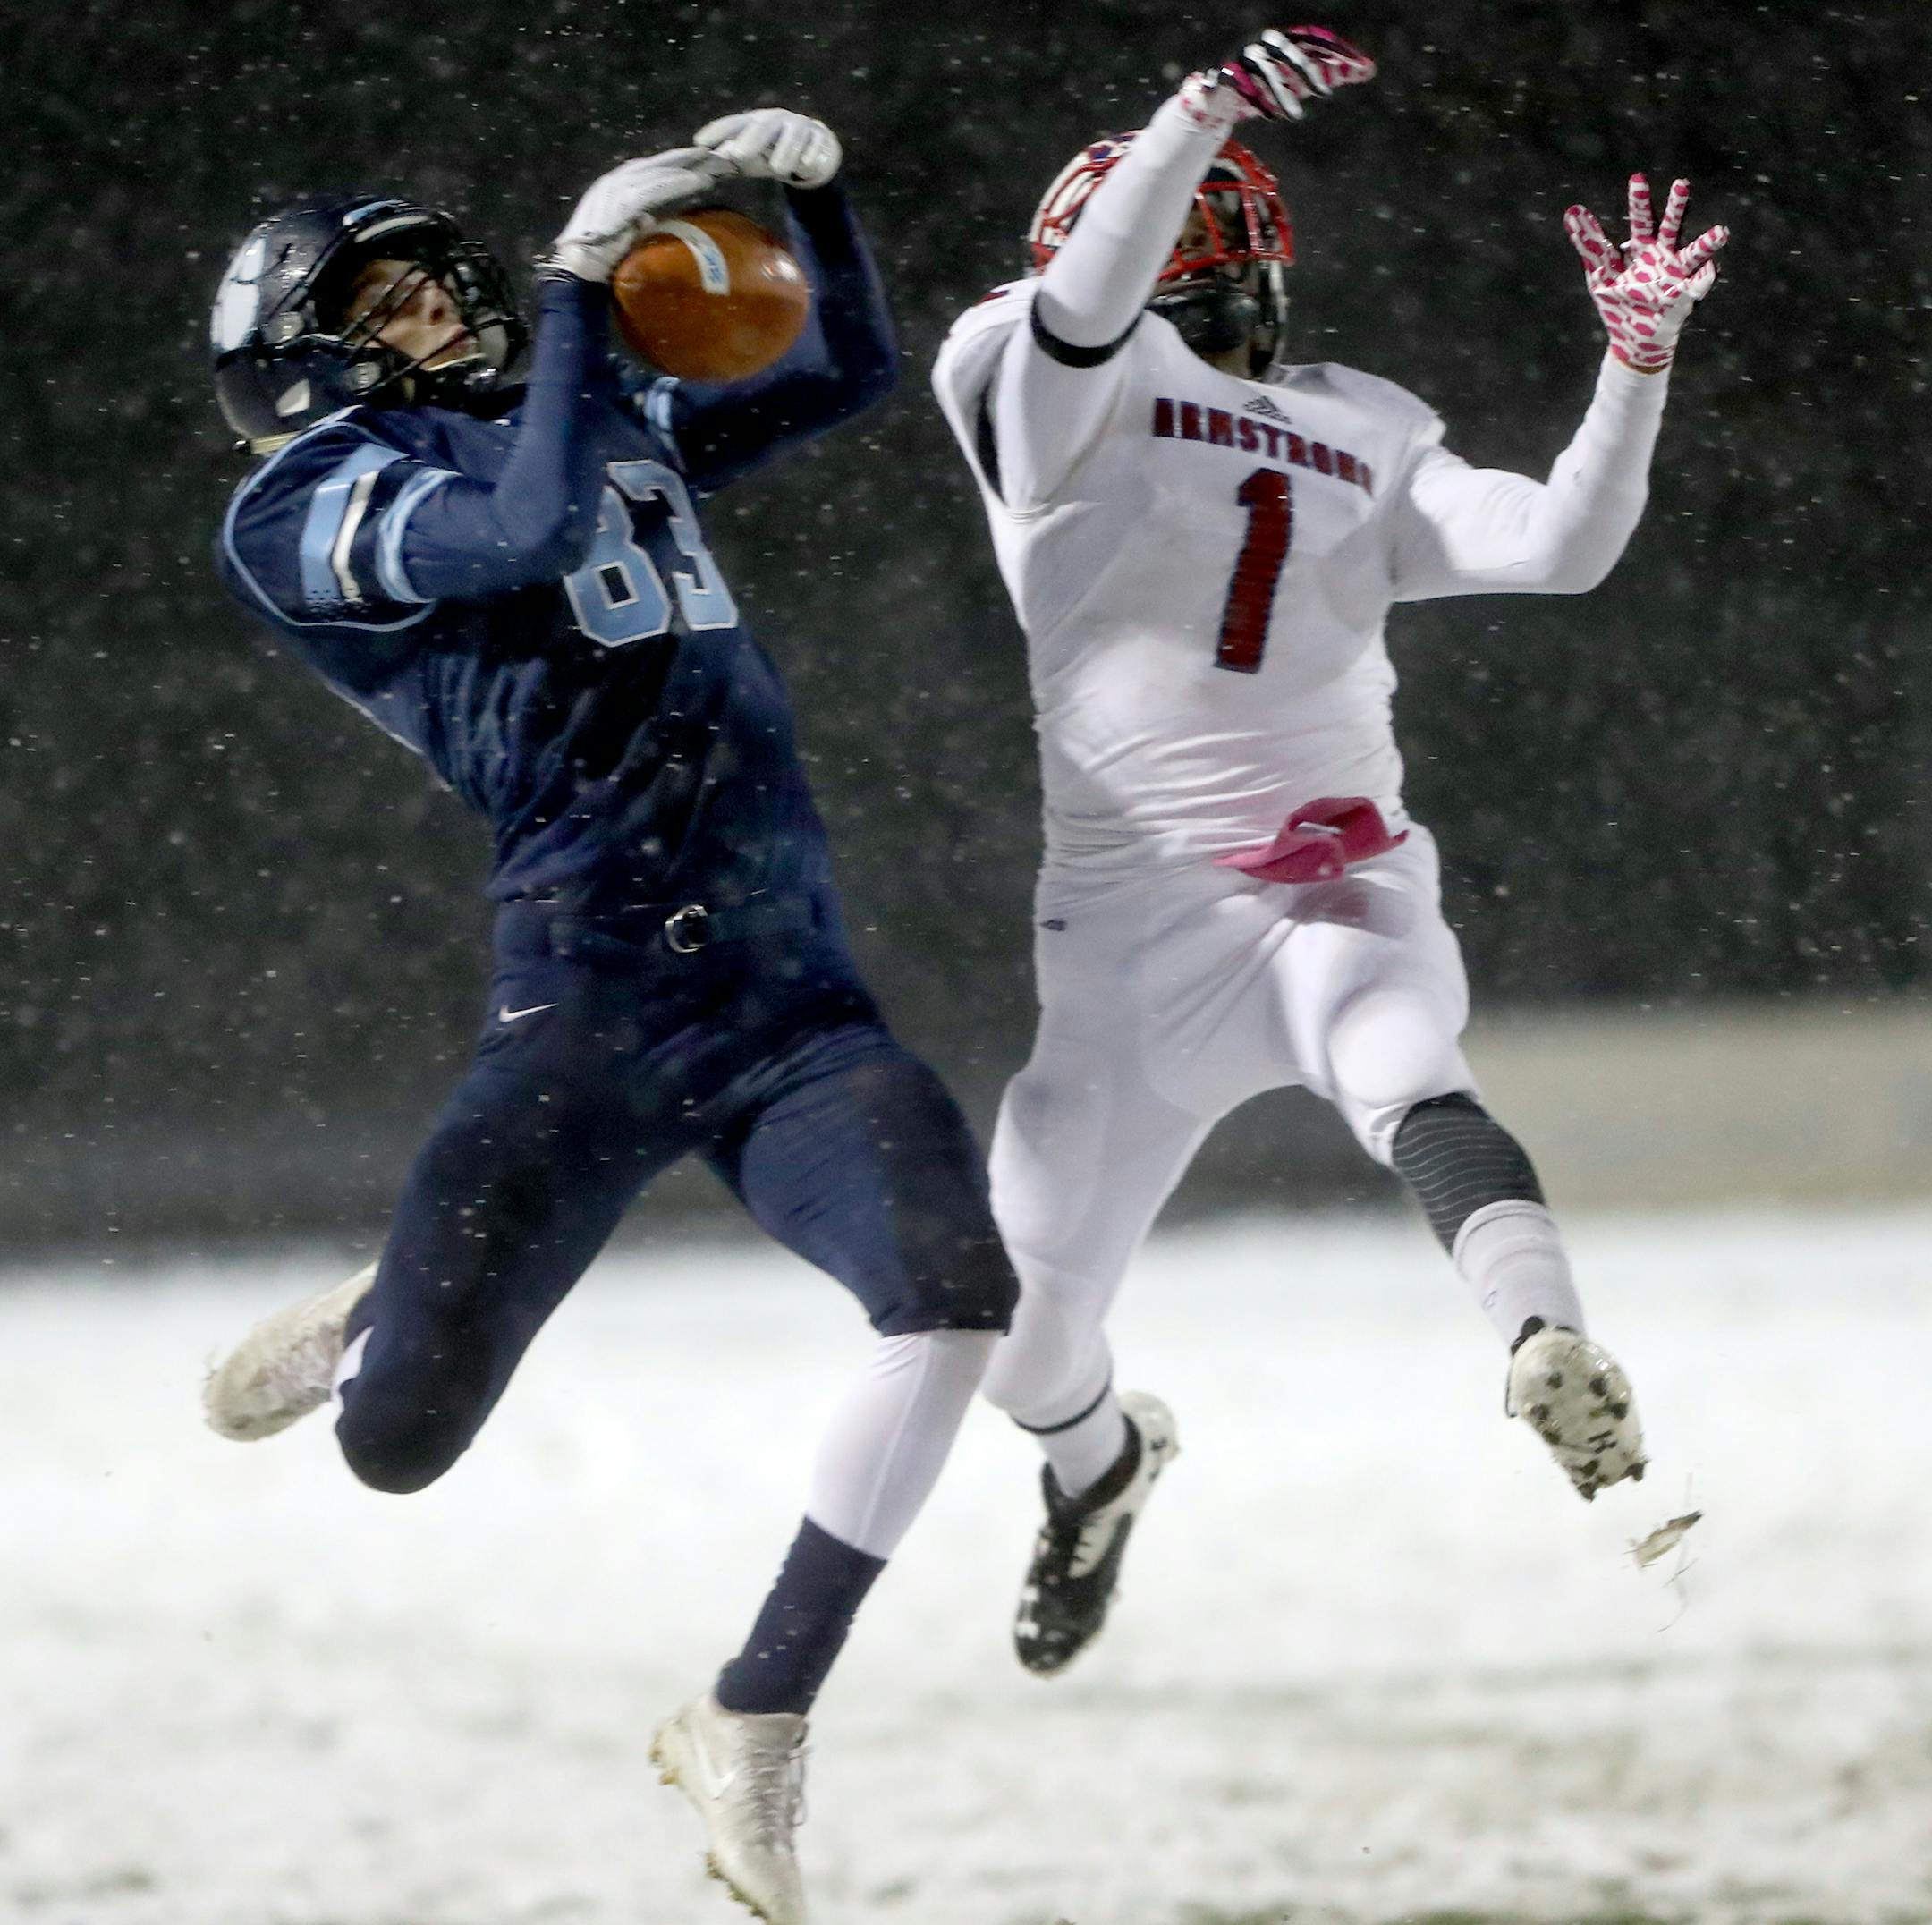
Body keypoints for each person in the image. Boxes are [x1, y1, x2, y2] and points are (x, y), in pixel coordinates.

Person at [202, 110, 1017, 1925]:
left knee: (955, 1287)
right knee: (399, 1443)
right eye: (385, 296)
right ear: (305, 352)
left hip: (789, 994)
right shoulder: (295, 503)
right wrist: (581, 289)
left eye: (439, 272)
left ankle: (758, 1702)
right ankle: (379, 1314)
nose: (438, 303)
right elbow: (529, 523)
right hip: (594, 999)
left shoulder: (576, 404)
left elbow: (849, 366)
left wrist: (822, 203)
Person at [932, 28, 1728, 1676]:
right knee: (1012, 1341)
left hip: (1334, 880)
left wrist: (1633, 369)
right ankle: (1099, 1464)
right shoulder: (1045, 381)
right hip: (1131, 930)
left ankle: (1542, 1340)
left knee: (1408, 1068)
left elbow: (1562, 549)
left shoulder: (1360, 423)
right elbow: (1087, 309)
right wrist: (1200, 108)